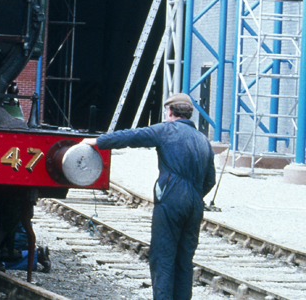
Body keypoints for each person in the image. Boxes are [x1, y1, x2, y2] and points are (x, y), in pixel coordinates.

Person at [83, 93, 216, 300]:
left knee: (163, 257)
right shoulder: (203, 140)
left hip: (171, 199)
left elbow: (131, 136)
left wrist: (97, 141)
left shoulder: (166, 130)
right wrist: (193, 195)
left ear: (170, 112)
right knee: (184, 260)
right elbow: (210, 181)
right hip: (195, 203)